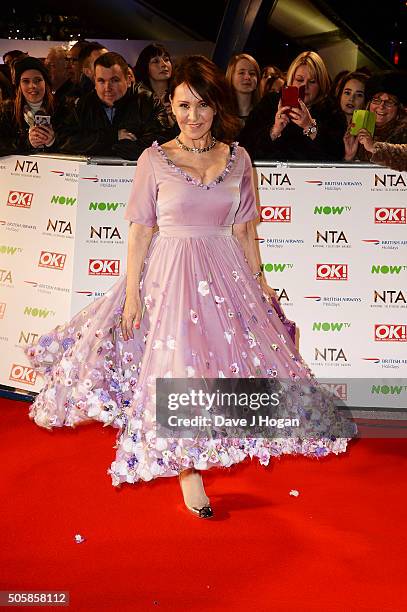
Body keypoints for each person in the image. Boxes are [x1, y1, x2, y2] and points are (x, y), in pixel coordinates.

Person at [26, 55, 356, 519]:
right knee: (177, 365)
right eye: (183, 106)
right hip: (170, 275)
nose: (192, 117)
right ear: (171, 106)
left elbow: (246, 229)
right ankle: (189, 471)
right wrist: (134, 294)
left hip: (224, 275)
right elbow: (140, 230)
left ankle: (209, 444)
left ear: (215, 107)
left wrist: (262, 284)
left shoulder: (239, 157)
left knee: (223, 368)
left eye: (201, 106)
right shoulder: (153, 159)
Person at [58, 51, 172, 160]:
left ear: (128, 80)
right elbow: (65, 141)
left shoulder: (147, 100)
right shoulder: (85, 104)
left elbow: (160, 143)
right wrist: (112, 137)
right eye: (101, 81)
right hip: (92, 175)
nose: (108, 88)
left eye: (114, 80)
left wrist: (97, 146)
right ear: (94, 82)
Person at [240, 51, 344, 161]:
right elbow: (244, 147)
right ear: (290, 80)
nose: (305, 85)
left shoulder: (330, 110)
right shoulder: (270, 103)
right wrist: (274, 131)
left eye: (312, 81)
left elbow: (337, 153)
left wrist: (310, 127)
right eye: (299, 80)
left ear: (321, 84)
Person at [0, 56, 61, 155]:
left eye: (37, 80)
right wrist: (27, 142)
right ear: (19, 85)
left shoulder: (63, 108)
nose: (32, 86)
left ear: (45, 82)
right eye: (26, 81)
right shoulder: (7, 110)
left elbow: (73, 143)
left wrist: (53, 141)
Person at [344, 70, 407, 164]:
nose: (381, 106)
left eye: (389, 102)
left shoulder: (404, 131)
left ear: (399, 108)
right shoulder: (359, 127)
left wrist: (374, 147)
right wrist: (349, 156)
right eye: (377, 100)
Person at [134, 43, 177, 131]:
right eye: (155, 61)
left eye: (166, 59)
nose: (163, 64)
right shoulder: (138, 98)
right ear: (145, 67)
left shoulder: (178, 95)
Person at [226, 53, 260, 127]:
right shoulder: (221, 114)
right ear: (231, 76)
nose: (247, 77)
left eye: (252, 73)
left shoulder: (263, 113)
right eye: (241, 73)